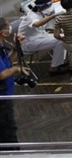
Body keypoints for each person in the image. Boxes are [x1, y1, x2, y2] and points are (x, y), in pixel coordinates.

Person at [18, 0, 67, 75]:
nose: (50, 8)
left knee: (63, 36)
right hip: (28, 43)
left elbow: (50, 26)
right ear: (42, 7)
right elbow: (37, 24)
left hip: (39, 37)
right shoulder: (31, 16)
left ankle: (59, 62)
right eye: (48, 7)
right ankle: (54, 68)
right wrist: (52, 16)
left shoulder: (41, 14)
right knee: (59, 41)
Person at [0, 17, 30, 149]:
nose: (10, 29)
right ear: (2, 32)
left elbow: (7, 62)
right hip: (2, 99)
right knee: (8, 131)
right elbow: (1, 74)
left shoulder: (2, 45)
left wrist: (17, 48)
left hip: (7, 94)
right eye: (8, 27)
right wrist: (17, 69)